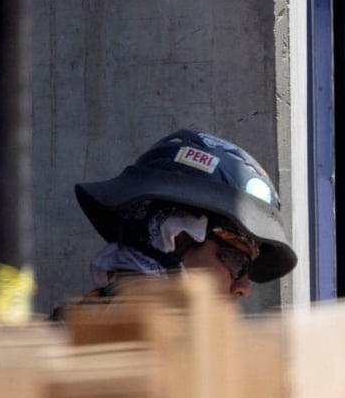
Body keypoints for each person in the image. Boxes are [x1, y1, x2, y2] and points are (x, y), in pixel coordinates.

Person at [68, 128, 297, 306]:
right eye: (237, 260)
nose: (243, 288)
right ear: (175, 235)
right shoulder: (102, 346)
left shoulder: (193, 354)